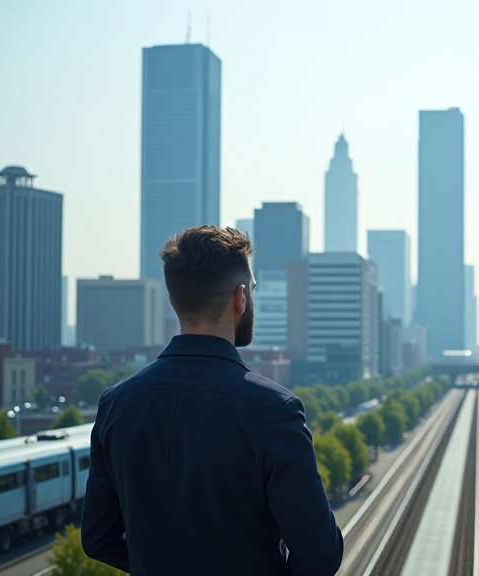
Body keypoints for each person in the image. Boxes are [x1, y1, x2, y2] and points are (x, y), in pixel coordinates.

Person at [81, 226, 343, 575]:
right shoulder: (276, 412)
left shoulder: (116, 404)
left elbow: (98, 539)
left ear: (176, 299)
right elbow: (320, 555)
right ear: (240, 298)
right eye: (252, 288)